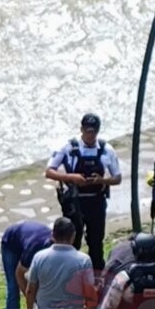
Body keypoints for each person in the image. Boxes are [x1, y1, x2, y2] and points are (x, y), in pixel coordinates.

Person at [45, 114, 121, 273]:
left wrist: (102, 181)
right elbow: (49, 172)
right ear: (81, 129)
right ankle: (69, 276)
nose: (90, 135)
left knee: (96, 243)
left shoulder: (106, 150)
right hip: (74, 203)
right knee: (71, 243)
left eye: (93, 132)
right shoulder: (68, 148)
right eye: (87, 131)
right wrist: (70, 177)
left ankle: (96, 280)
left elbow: (117, 178)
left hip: (96, 202)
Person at [0, 219, 54, 309]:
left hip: (27, 238)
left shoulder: (59, 252)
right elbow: (19, 274)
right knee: (13, 288)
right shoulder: (36, 248)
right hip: (11, 243)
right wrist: (31, 302)